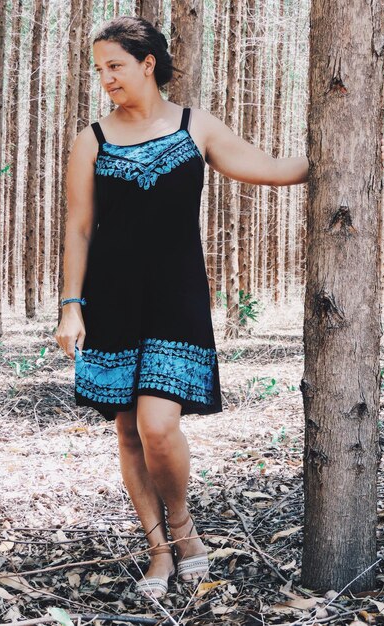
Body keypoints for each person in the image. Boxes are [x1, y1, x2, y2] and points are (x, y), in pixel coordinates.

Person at [54, 15, 309, 600]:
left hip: (176, 296)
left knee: (158, 425)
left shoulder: (195, 127)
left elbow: (270, 170)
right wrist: (72, 306)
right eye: (100, 69)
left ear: (148, 63)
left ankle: (186, 530)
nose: (106, 79)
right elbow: (78, 227)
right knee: (125, 428)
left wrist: (339, 160)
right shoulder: (90, 139)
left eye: (115, 65)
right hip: (111, 298)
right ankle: (158, 550)